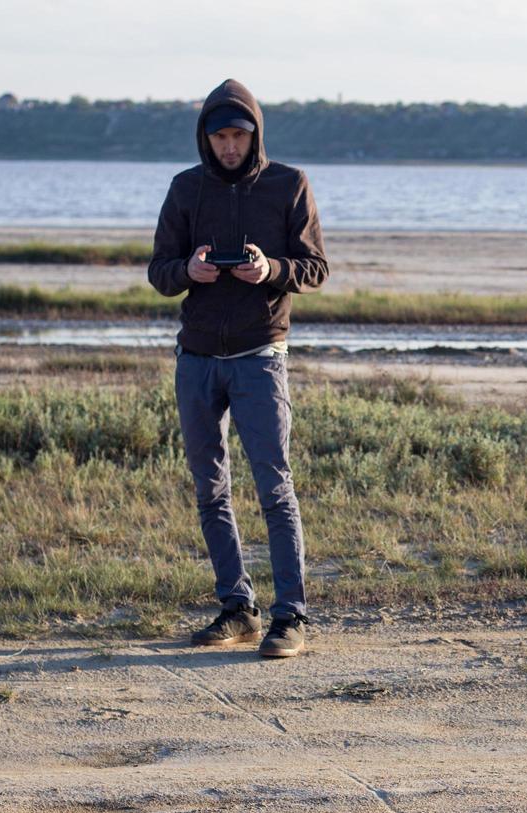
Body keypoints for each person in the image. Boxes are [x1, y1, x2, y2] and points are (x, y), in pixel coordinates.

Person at [147, 79, 329, 658]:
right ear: (206, 137)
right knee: (210, 489)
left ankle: (290, 617)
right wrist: (189, 272)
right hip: (197, 357)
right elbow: (159, 271)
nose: (229, 147)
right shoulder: (185, 187)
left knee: (275, 489)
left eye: (238, 136)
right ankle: (238, 607)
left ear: (254, 136)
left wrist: (270, 268)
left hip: (259, 357)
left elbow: (315, 267)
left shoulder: (288, 184)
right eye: (220, 136)